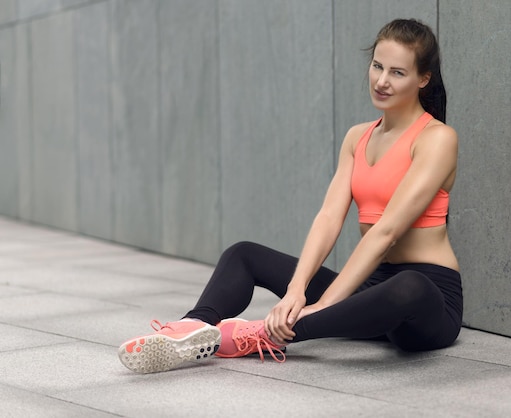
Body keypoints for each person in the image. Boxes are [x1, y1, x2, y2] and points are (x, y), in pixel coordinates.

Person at [118, 18, 462, 374]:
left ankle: (268, 334)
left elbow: (387, 230)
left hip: (427, 299)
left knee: (407, 286)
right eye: (377, 66)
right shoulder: (358, 137)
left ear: (423, 79)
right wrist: (296, 290)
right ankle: (194, 328)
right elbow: (329, 217)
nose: (381, 81)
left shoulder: (436, 138)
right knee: (244, 254)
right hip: (369, 288)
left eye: (397, 73)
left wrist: (325, 304)